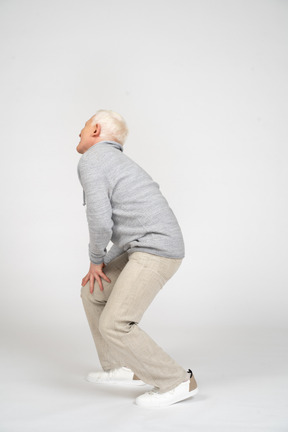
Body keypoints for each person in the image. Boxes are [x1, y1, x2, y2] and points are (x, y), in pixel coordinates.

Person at [76, 109, 198, 407]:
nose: (77, 133)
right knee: (93, 292)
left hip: (157, 251)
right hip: (141, 247)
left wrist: (95, 259)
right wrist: (105, 263)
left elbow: (101, 220)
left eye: (82, 126)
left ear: (95, 131)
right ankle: (123, 367)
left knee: (115, 323)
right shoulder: (114, 161)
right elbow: (130, 225)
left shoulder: (92, 159)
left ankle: (177, 380)